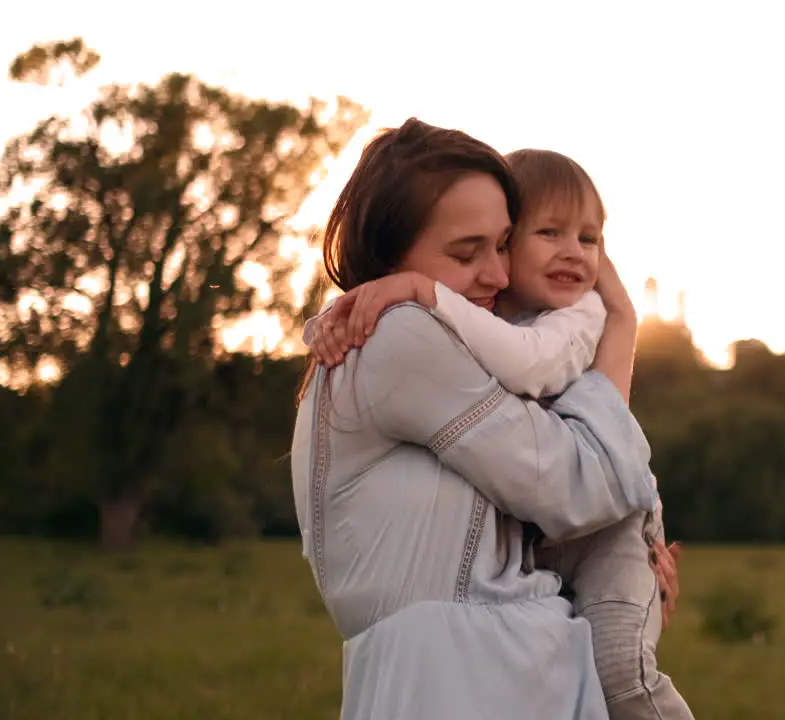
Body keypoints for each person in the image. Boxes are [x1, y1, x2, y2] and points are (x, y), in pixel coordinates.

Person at [290, 118, 680, 719]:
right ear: (393, 257)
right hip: (468, 677)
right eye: (466, 252)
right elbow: (582, 485)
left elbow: (530, 523)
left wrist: (624, 563)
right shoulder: (401, 336)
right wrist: (622, 320)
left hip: (511, 670)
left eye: (503, 245)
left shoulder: (449, 344)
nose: (498, 275)